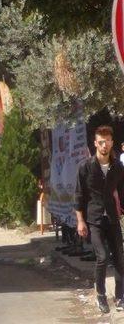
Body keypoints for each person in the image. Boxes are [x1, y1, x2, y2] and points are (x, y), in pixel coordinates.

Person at [75, 125, 124, 314]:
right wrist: (80, 221)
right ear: (95, 143)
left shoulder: (118, 166)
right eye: (101, 142)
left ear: (112, 142)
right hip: (94, 219)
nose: (104, 145)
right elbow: (79, 195)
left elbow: (122, 192)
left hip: (112, 218)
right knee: (102, 257)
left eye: (107, 141)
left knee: (119, 258)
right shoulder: (85, 167)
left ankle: (120, 297)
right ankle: (101, 296)